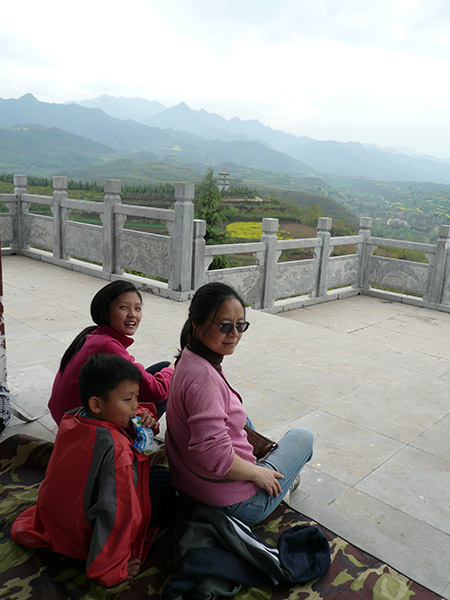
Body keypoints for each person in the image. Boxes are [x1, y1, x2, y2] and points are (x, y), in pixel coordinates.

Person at [12, 354, 177, 587]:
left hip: (54, 518)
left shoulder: (75, 417)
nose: (134, 406)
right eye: (128, 399)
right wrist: (112, 568)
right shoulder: (117, 451)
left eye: (136, 398)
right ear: (97, 404)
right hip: (82, 534)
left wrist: (139, 416)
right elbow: (116, 513)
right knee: (167, 488)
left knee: (156, 477)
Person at [165, 282, 314, 526]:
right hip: (234, 502)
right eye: (224, 326)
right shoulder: (203, 378)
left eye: (240, 325)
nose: (234, 333)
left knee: (239, 417)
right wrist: (259, 473)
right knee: (302, 437)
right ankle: (278, 482)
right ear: (197, 324)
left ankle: (273, 470)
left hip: (191, 482)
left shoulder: (189, 359)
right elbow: (215, 456)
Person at [48, 280, 174, 425]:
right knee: (169, 380)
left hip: (67, 415)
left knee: (162, 368)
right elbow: (157, 392)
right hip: (81, 423)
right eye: (124, 307)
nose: (132, 314)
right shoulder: (107, 346)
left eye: (138, 308)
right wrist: (172, 370)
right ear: (105, 312)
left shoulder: (93, 334)